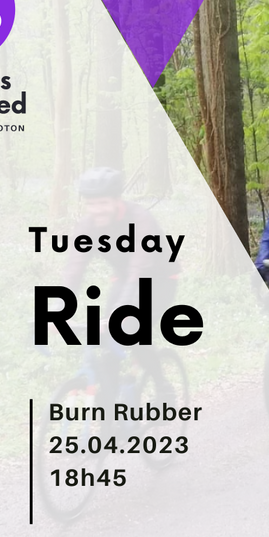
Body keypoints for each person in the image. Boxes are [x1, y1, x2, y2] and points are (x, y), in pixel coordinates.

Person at [63, 167, 178, 401]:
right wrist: (56, 310)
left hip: (160, 279)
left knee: (134, 333)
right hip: (125, 278)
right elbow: (74, 268)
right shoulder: (88, 226)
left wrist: (119, 314)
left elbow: (140, 271)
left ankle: (162, 384)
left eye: (103, 203)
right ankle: (111, 410)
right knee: (106, 342)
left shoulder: (140, 220)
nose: (97, 210)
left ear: (116, 200)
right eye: (91, 204)